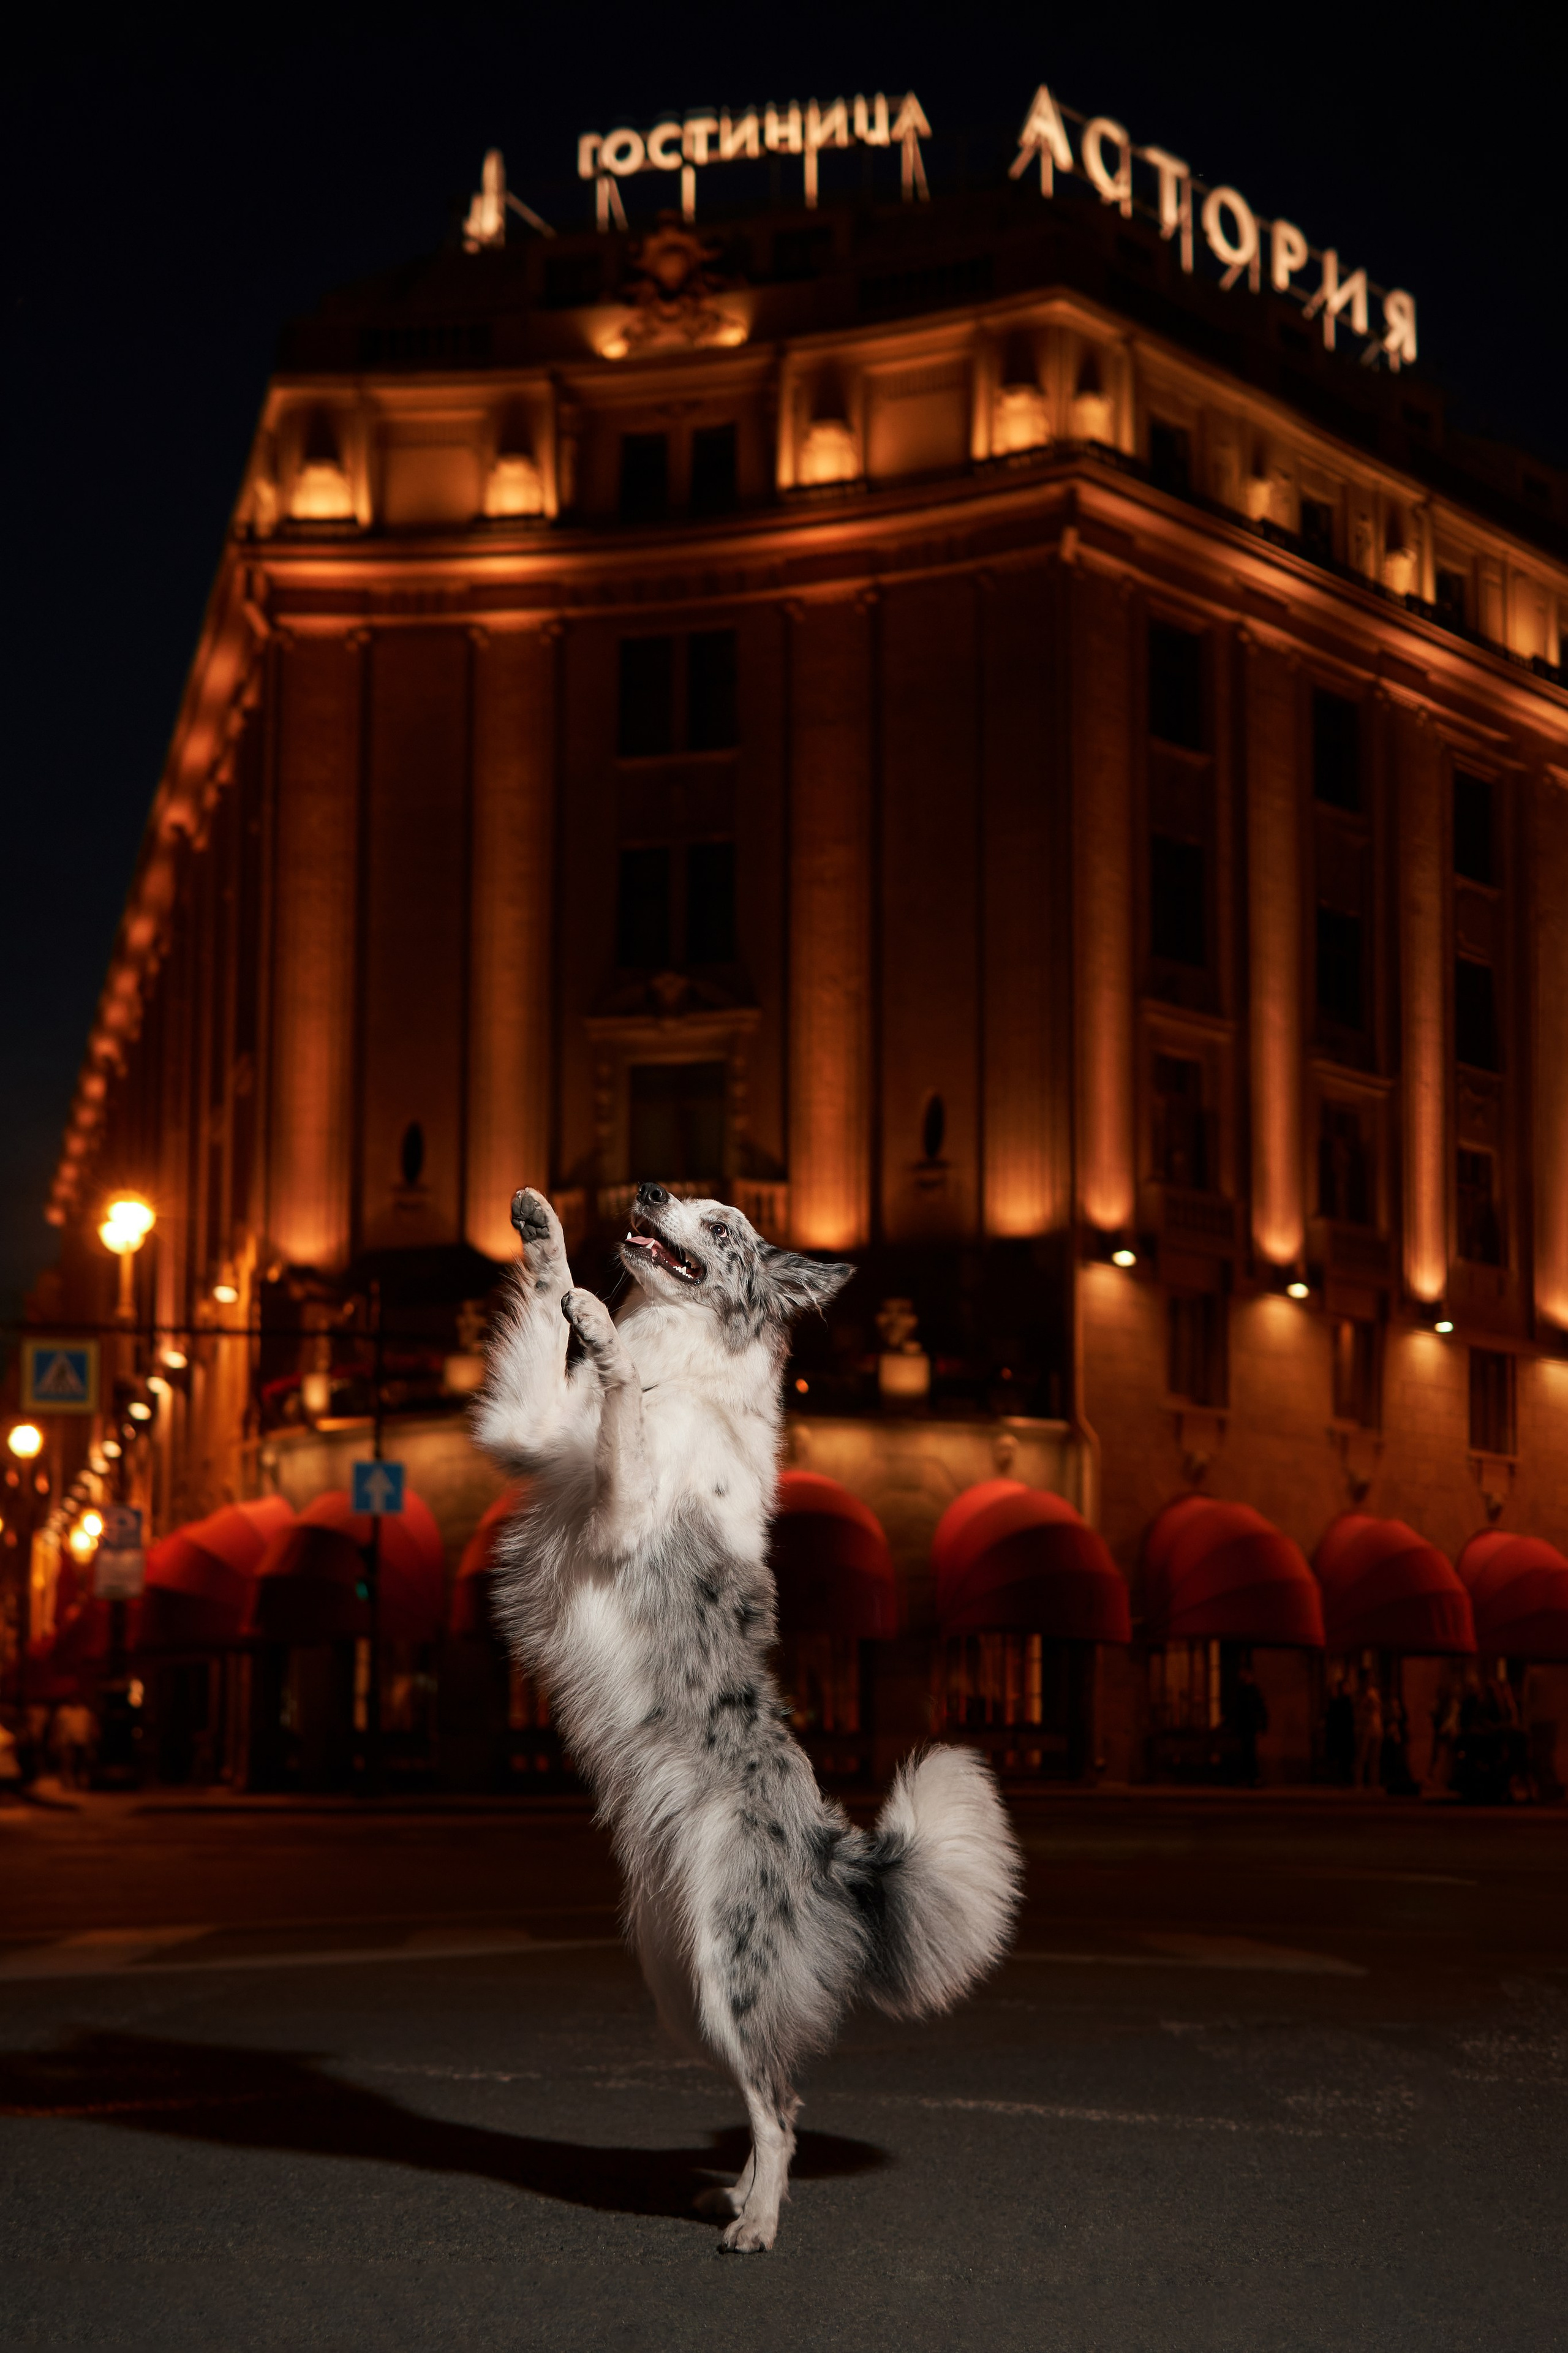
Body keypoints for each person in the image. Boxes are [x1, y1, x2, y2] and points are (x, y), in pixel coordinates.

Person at [1232, 1660, 1269, 1788]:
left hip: (1250, 1727)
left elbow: (1259, 1710)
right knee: (1247, 1753)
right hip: (1247, 1727)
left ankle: (1253, 1778)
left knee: (1249, 1753)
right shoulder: (1246, 1691)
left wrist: (1261, 1727)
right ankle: (1251, 1778)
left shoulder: (1251, 1692)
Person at [50, 1699, 95, 1790]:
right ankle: (67, 1784)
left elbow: (90, 1725)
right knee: (68, 1762)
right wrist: (54, 1739)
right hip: (66, 1741)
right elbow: (56, 1726)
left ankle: (80, 1783)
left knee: (81, 1763)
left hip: (82, 1741)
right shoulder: (63, 1712)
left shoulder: (84, 1711)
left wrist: (91, 1738)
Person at [1354, 1675, 1383, 1790]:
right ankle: (1358, 1783)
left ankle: (1374, 1784)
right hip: (1363, 1729)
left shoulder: (1374, 1692)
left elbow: (1377, 1707)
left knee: (1374, 1758)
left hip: (1376, 1728)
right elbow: (1360, 1708)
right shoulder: (1358, 1694)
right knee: (1361, 1757)